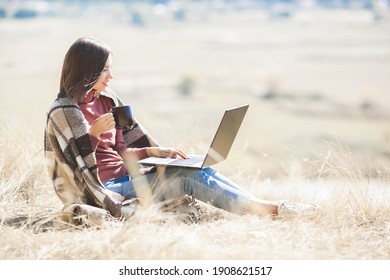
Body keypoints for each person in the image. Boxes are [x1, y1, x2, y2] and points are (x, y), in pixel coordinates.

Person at [44, 37, 319, 222]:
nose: (111, 77)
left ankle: (265, 206)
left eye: (110, 69)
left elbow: (120, 152)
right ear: (87, 71)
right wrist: (91, 134)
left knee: (200, 169)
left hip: (130, 177)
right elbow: (76, 169)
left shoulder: (108, 100)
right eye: (105, 71)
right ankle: (274, 211)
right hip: (106, 189)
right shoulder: (64, 113)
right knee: (187, 180)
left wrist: (154, 151)